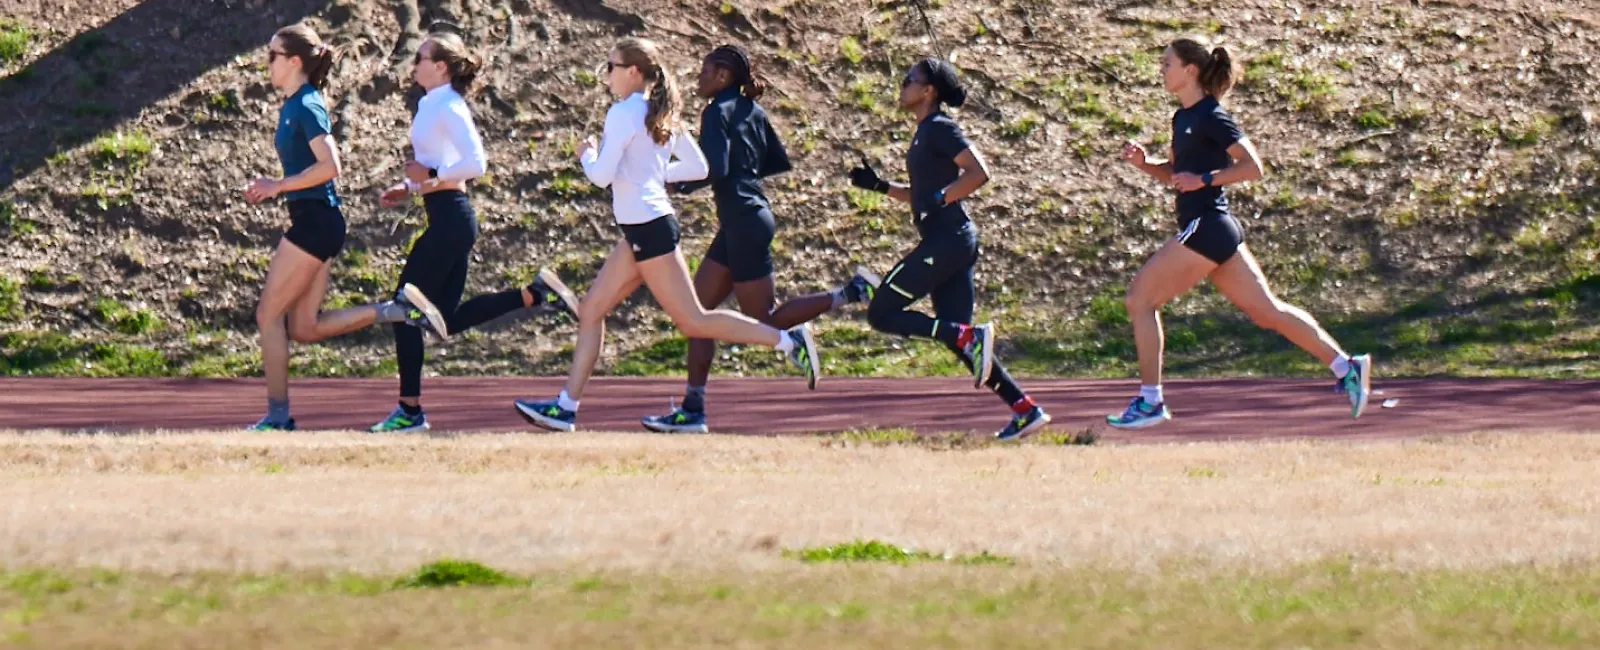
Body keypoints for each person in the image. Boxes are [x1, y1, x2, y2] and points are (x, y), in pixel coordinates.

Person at [514, 38, 819, 432]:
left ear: (633, 72)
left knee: (694, 320)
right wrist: (654, 177)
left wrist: (587, 154)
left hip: (649, 229)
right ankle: (565, 408)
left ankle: (788, 342)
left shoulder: (623, 113)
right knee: (591, 310)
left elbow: (601, 176)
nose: (606, 74)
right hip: (644, 226)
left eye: (611, 66)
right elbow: (698, 166)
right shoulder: (658, 111)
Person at [1109, 38, 1372, 429]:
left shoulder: (1212, 115)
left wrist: (1205, 179)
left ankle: (1150, 401)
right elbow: (1178, 177)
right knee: (1266, 311)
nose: (1161, 70)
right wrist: (1145, 164)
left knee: (1140, 300)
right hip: (1210, 229)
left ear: (1190, 71)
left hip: (1208, 226)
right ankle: (1345, 366)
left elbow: (1253, 167)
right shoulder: (1182, 119)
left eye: (1167, 64)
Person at [641, 44, 876, 434]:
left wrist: (677, 184)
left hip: (744, 221)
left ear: (723, 77)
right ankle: (692, 408)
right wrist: (736, 179)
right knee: (696, 313)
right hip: (746, 218)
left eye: (705, 71)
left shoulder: (716, 111)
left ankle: (848, 294)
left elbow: (715, 167)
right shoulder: (753, 110)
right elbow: (775, 161)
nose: (698, 78)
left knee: (761, 319)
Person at [367, 33, 581, 433]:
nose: (413, 64)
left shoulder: (448, 104)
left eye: (420, 57)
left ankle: (409, 412)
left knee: (404, 310)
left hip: (452, 220)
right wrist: (411, 188)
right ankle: (535, 295)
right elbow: (442, 163)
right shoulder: (433, 104)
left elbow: (476, 163)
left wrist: (429, 175)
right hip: (448, 218)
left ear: (441, 67)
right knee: (443, 320)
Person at [243, 24, 445, 432]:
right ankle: (397, 311)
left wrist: (277, 185)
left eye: (272, 56)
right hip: (317, 222)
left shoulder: (307, 104)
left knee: (268, 315)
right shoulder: (293, 105)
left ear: (294, 61)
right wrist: (275, 186)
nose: (266, 63)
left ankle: (278, 417)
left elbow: (331, 166)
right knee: (303, 327)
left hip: (317, 223)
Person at [846, 58, 1051, 440]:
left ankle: (968, 339)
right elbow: (920, 197)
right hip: (947, 240)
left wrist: (942, 197)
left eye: (910, 80)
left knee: (882, 311)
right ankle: (1025, 409)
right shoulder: (924, 132)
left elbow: (979, 172)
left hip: (949, 240)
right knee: (958, 339)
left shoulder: (940, 128)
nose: (903, 84)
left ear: (929, 91)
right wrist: (878, 186)